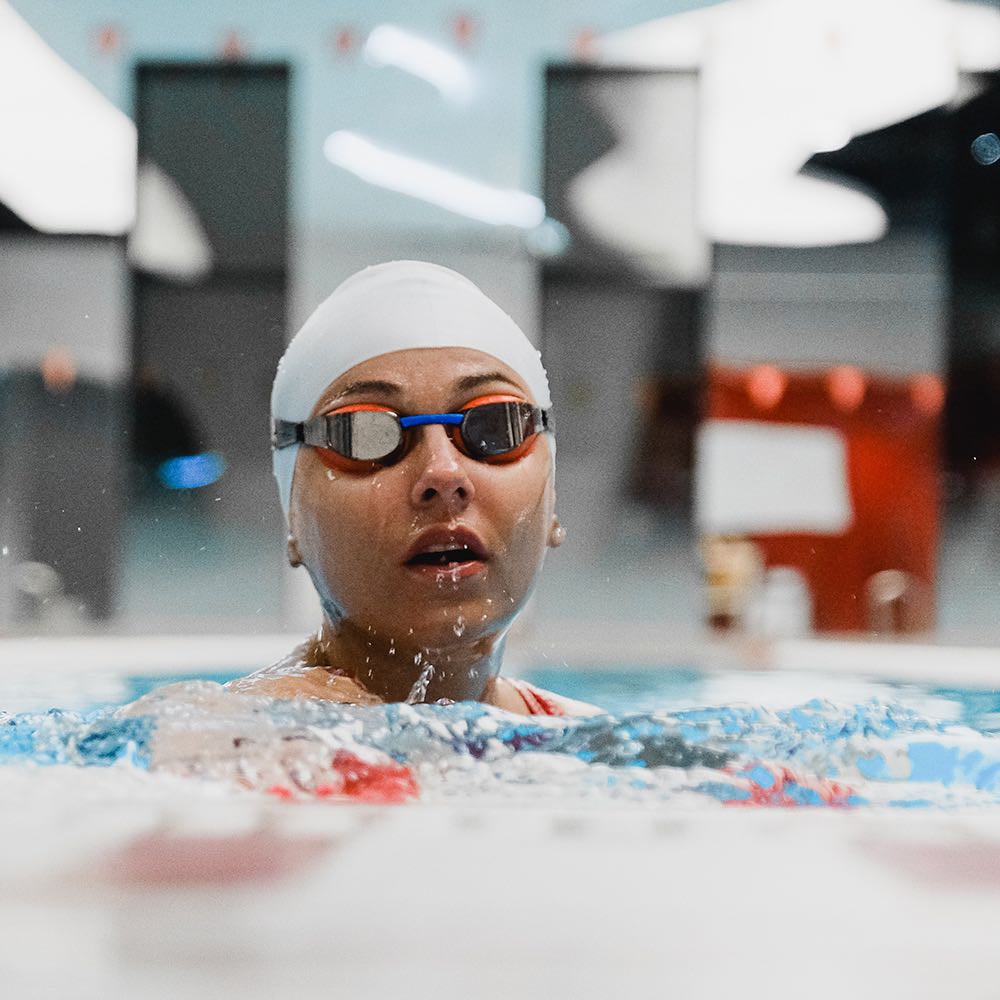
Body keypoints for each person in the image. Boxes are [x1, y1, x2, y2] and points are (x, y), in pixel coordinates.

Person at [228, 261, 599, 716]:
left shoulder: (601, 745)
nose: (444, 474)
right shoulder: (226, 747)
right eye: (364, 433)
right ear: (293, 520)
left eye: (493, 426)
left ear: (553, 504)